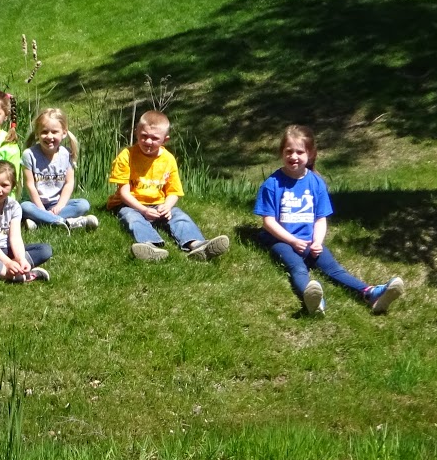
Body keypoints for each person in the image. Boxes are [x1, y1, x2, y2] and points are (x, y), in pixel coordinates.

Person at [255, 124, 405, 316]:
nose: (293, 156)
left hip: (310, 240)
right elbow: (268, 221)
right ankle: (315, 301)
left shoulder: (316, 182)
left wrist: (317, 242)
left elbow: (320, 219)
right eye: (289, 151)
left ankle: (371, 293)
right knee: (297, 268)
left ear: (310, 154)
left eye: (299, 152)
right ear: (281, 152)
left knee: (334, 269)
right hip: (281, 241)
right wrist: (291, 240)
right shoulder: (272, 184)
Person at [107, 110, 229, 262]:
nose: (148, 142)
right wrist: (143, 210)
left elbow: (173, 191)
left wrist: (167, 206)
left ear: (165, 140)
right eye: (144, 136)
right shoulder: (126, 155)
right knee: (132, 218)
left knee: (179, 216)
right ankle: (150, 246)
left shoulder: (168, 159)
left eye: (154, 138)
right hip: (130, 203)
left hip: (158, 203)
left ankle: (197, 244)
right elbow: (124, 193)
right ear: (136, 133)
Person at [21, 107, 98, 231]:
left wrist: (60, 206)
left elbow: (69, 183)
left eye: (54, 132)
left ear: (64, 133)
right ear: (37, 133)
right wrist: (41, 209)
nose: (49, 136)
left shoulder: (67, 154)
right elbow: (30, 186)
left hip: (56, 204)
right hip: (35, 203)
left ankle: (40, 222)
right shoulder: (29, 155)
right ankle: (68, 222)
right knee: (25, 207)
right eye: (44, 132)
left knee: (83, 205)